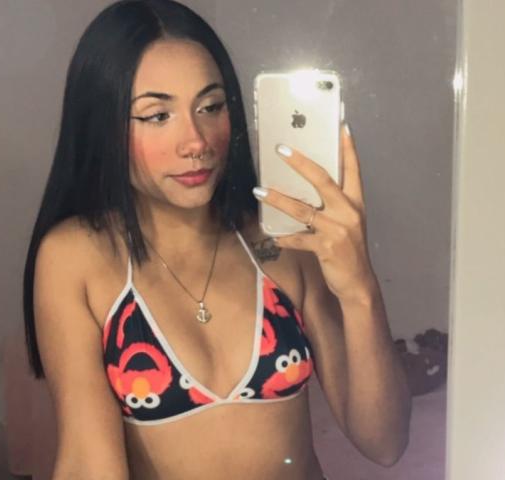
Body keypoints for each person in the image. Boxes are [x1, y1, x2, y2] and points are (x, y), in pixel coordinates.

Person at [22, 1, 411, 478]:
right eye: (157, 115)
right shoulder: (77, 258)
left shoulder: (282, 242)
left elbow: (384, 442)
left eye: (210, 107)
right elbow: (88, 462)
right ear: (102, 124)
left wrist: (359, 288)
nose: (197, 142)